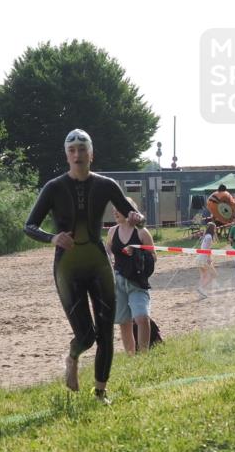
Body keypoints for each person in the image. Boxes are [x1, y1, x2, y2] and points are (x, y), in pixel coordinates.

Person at [24, 128, 146, 404]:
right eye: (72, 150)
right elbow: (29, 226)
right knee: (86, 336)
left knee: (106, 332)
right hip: (67, 270)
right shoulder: (53, 188)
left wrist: (138, 218)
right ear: (66, 155)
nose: (77, 155)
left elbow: (133, 216)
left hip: (98, 264)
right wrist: (52, 237)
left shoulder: (106, 185)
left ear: (91, 154)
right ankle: (73, 356)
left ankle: (101, 391)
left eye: (82, 149)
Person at [107, 199, 156, 356]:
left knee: (141, 317)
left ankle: (143, 356)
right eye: (113, 209)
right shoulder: (112, 231)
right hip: (118, 281)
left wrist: (136, 253)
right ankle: (131, 356)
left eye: (118, 209)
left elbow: (153, 257)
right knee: (124, 322)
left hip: (137, 282)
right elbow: (108, 250)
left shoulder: (142, 232)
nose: (114, 212)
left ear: (130, 211)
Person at [196, 222, 217, 298]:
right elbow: (208, 249)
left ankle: (201, 290)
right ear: (212, 229)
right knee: (213, 274)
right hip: (204, 258)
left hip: (200, 257)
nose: (215, 230)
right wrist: (209, 258)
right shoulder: (209, 237)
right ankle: (201, 288)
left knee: (203, 275)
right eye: (215, 228)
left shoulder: (206, 236)